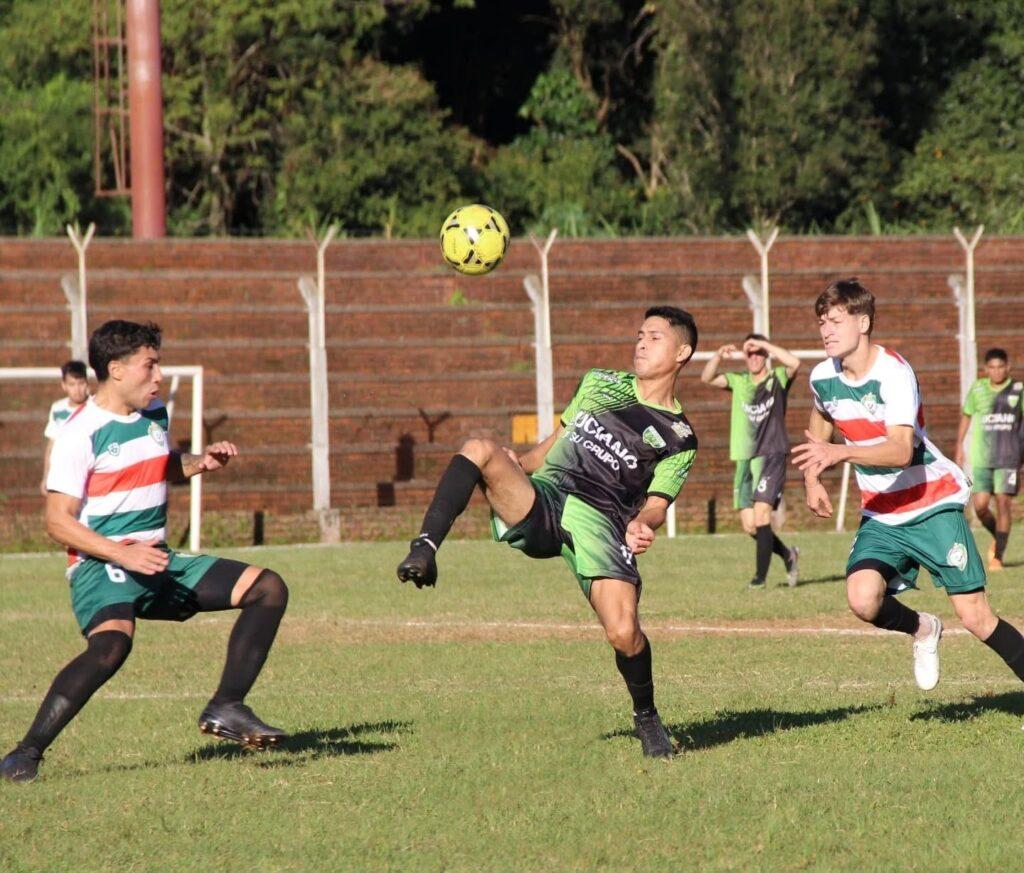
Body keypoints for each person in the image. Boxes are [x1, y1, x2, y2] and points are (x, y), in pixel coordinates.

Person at [397, 306, 700, 758]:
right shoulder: (599, 382)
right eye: (640, 334)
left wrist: (644, 523)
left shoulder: (679, 436)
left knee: (624, 633)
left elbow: (657, 503)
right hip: (545, 499)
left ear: (682, 353)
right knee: (480, 448)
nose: (641, 343)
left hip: (601, 524)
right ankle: (424, 547)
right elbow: (555, 443)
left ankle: (647, 717)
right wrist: (515, 464)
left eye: (655, 337)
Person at [1, 320, 289, 783]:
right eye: (149, 365)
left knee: (267, 588)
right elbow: (56, 522)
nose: (158, 376)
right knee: (112, 645)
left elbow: (160, 465)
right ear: (116, 369)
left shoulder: (154, 412)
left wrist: (198, 463)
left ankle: (227, 706)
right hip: (100, 565)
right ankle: (25, 754)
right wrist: (122, 554)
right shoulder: (80, 433)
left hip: (155, 557)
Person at [794, 279, 1024, 698]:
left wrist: (839, 454)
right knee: (863, 599)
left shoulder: (894, 374)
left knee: (975, 617)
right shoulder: (822, 376)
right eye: (822, 322)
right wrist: (812, 478)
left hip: (931, 503)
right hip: (882, 512)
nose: (826, 330)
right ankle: (924, 628)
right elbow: (822, 414)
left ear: (863, 323)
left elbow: (901, 451)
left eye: (836, 321)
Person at [701, 334, 800, 588]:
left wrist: (764, 344)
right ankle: (788, 555)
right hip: (744, 457)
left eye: (758, 353)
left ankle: (759, 580)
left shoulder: (777, 378)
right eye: (750, 353)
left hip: (771, 455)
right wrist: (718, 355)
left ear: (765, 355)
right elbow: (707, 377)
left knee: (761, 514)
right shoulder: (739, 380)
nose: (754, 357)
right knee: (750, 525)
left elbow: (795, 363)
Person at [955, 348, 1024, 571]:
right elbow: (966, 416)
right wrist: (959, 446)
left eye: (1000, 367)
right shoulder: (978, 389)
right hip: (982, 458)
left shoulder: (1018, 390)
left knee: (1003, 502)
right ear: (986, 369)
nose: (996, 371)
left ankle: (998, 557)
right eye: (992, 367)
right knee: (981, 507)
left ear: (1008, 367)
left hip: (1009, 457)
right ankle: (999, 536)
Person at [41, 360, 90, 495]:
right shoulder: (58, 409)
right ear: (64, 385)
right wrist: (46, 476)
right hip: (64, 477)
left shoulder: (95, 407)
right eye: (72, 384)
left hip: (88, 475)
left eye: (81, 383)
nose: (77, 389)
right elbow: (51, 446)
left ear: (87, 383)